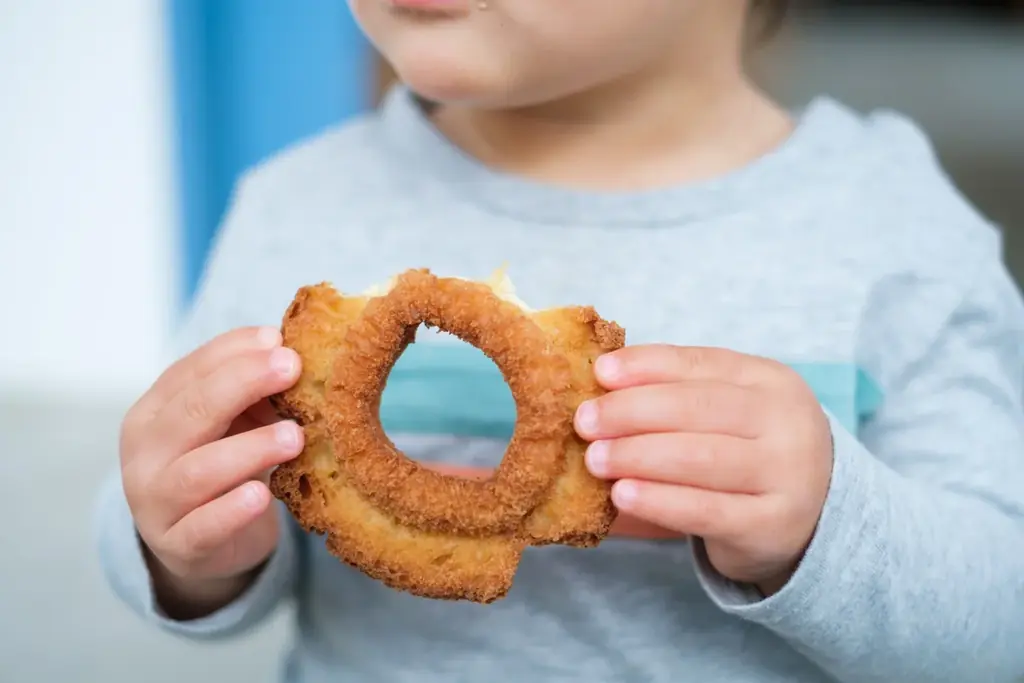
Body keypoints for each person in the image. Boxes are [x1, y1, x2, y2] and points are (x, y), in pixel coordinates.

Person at [95, 0, 1024, 681]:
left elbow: (1000, 622)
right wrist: (180, 549)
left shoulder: (893, 225)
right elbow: (183, 523)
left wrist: (828, 524)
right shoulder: (289, 209)